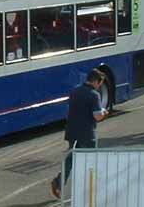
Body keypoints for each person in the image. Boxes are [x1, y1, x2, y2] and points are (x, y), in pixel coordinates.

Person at [50, 69, 108, 199]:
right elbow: (97, 116)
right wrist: (104, 112)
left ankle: (59, 182)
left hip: (72, 131)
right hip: (87, 134)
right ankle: (93, 188)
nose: (99, 86)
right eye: (100, 83)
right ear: (96, 81)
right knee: (93, 160)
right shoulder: (94, 95)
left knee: (71, 159)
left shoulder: (75, 91)